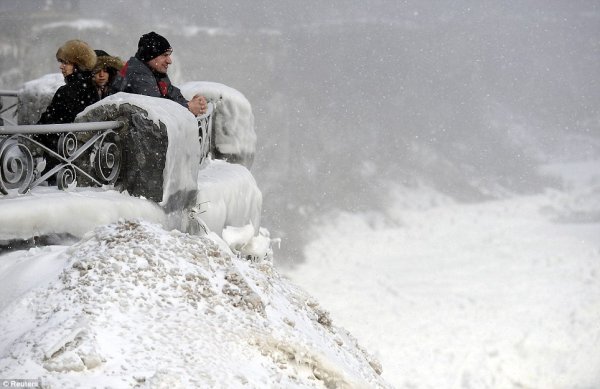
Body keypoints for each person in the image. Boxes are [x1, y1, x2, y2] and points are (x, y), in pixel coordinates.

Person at [113, 31, 207, 116]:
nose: (169, 61)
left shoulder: (155, 72)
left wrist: (192, 103)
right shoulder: (137, 73)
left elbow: (172, 95)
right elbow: (156, 108)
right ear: (150, 56)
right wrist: (188, 107)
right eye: (164, 55)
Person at [38, 39, 99, 124]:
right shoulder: (93, 88)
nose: (61, 67)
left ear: (79, 65)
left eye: (65, 63)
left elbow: (49, 124)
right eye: (61, 62)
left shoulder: (66, 91)